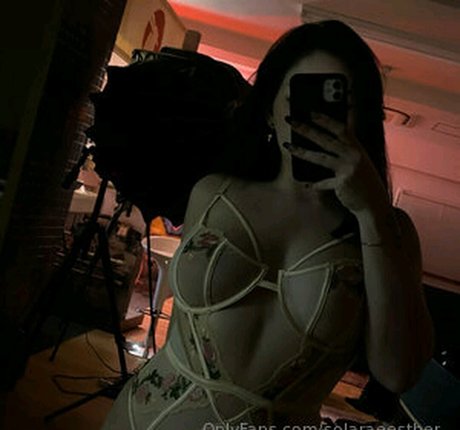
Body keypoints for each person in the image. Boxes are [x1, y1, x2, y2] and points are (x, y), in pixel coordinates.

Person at [101, 20, 434, 429]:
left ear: (361, 119)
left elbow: (399, 373)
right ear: (271, 110)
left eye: (335, 102)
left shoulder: (389, 230)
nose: (315, 118)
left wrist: (372, 214)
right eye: (299, 97)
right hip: (143, 419)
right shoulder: (214, 191)